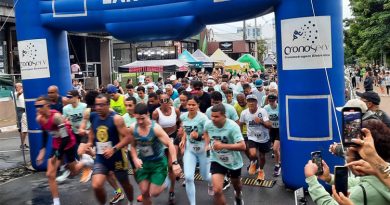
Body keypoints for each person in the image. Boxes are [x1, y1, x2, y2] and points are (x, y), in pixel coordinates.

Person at [304, 120, 390, 205]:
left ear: (359, 162)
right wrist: (329, 178)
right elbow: (360, 181)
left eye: (347, 155)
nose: (345, 157)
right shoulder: (383, 172)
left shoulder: (359, 193)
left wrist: (311, 180)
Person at [35, 96, 92, 205]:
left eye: (40, 106)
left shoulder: (56, 117)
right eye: (35, 106)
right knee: (50, 174)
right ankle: (56, 202)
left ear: (47, 106)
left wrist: (57, 155)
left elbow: (65, 139)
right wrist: (42, 150)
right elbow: (44, 133)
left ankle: (85, 162)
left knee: (74, 172)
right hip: (56, 144)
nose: (37, 108)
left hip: (68, 143)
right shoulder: (39, 118)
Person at [84, 94, 134, 205]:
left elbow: (128, 138)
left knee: (125, 184)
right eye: (97, 105)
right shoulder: (93, 116)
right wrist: (89, 143)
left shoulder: (116, 119)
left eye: (102, 105)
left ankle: (131, 201)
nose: (98, 108)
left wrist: (114, 149)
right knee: (96, 185)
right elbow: (92, 131)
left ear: (108, 105)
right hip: (101, 159)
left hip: (118, 158)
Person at [129, 103, 182, 205]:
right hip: (144, 163)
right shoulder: (133, 128)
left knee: (154, 192)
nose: (139, 122)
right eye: (137, 119)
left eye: (142, 118)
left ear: (148, 114)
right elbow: (132, 146)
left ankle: (166, 182)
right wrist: (135, 158)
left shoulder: (155, 128)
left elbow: (169, 144)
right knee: (144, 192)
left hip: (158, 163)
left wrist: (175, 163)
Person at [204, 104, 246, 205]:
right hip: (217, 159)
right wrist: (206, 145)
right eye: (212, 116)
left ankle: (238, 194)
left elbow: (242, 146)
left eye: (216, 116)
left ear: (224, 116)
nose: (213, 119)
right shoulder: (208, 124)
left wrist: (223, 146)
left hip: (233, 161)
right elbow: (206, 133)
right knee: (217, 190)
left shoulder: (232, 127)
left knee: (237, 185)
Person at [180, 95, 214, 205]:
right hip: (190, 150)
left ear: (198, 105)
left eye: (193, 104)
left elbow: (210, 135)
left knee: (205, 176)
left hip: (204, 149)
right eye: (189, 104)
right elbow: (186, 129)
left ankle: (211, 183)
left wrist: (198, 137)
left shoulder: (203, 118)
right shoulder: (183, 116)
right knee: (189, 177)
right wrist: (183, 139)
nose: (191, 107)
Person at [152, 94, 181, 204]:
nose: (165, 102)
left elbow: (179, 122)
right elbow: (153, 128)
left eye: (167, 99)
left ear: (170, 100)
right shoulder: (156, 112)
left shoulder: (176, 110)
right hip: (161, 140)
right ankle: (169, 179)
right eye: (162, 100)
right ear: (159, 102)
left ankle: (171, 190)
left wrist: (180, 133)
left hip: (173, 138)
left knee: (171, 166)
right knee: (164, 166)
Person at [239, 94, 272, 181]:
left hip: (263, 138)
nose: (251, 103)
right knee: (253, 154)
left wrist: (261, 121)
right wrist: (240, 136)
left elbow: (269, 125)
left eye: (253, 101)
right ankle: (253, 162)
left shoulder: (262, 111)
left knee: (262, 156)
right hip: (251, 137)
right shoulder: (244, 113)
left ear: (256, 102)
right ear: (247, 102)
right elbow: (241, 124)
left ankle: (261, 171)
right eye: (249, 101)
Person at [62, 90, 92, 183]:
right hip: (74, 133)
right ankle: (88, 167)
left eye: (70, 97)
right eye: (67, 97)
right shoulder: (66, 108)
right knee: (79, 153)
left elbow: (89, 118)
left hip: (85, 132)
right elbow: (65, 120)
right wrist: (68, 124)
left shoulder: (84, 106)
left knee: (83, 152)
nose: (68, 99)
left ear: (76, 97)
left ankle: (88, 169)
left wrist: (88, 129)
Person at [263, 93, 281, 177]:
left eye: (273, 101)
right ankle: (279, 159)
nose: (271, 102)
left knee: (275, 149)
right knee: (275, 149)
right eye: (269, 101)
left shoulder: (280, 107)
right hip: (271, 129)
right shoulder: (266, 108)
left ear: (276, 100)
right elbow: (263, 117)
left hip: (279, 129)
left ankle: (277, 165)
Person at [14, 83, 28, 149]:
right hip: (21, 112)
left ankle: (23, 143)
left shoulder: (22, 94)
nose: (22, 87)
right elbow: (19, 92)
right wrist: (26, 86)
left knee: (22, 129)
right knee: (24, 130)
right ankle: (22, 145)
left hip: (24, 111)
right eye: (21, 86)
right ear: (17, 87)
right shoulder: (15, 94)